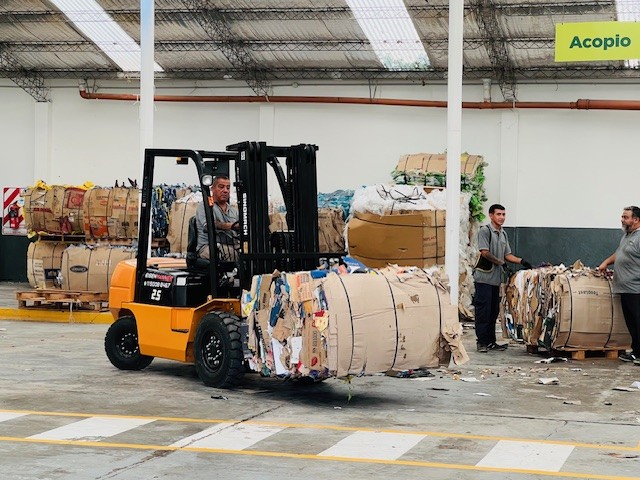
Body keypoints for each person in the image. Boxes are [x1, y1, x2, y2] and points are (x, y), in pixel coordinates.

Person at [473, 204, 532, 353]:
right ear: (491, 215)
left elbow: (507, 255)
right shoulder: (485, 231)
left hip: (496, 280)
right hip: (484, 279)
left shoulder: (503, 234)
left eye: (504, 214)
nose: (502, 217)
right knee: (483, 312)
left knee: (493, 312)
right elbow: (485, 252)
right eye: (498, 214)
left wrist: (521, 261)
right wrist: (501, 263)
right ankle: (482, 342)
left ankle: (491, 341)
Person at [597, 206, 640, 365]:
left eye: (625, 217)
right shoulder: (627, 236)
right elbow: (620, 253)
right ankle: (636, 352)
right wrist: (607, 262)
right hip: (624, 287)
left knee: (638, 321)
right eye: (622, 216)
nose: (622, 220)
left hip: (636, 288)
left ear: (636, 220)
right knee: (631, 322)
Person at [195, 175, 240, 261]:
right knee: (231, 254)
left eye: (228, 188)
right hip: (208, 245)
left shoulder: (233, 210)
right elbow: (210, 224)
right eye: (221, 187)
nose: (225, 191)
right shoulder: (206, 206)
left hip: (231, 244)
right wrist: (232, 226)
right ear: (212, 189)